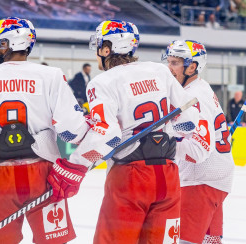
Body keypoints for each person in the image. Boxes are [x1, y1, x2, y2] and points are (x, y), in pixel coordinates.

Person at [55, 20, 207, 243]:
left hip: (130, 177)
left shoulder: (102, 81)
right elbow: (190, 119)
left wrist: (75, 166)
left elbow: (107, 134)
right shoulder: (159, 71)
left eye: (99, 47)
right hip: (168, 176)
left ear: (107, 49)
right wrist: (161, 134)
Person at [0, 17, 93, 244]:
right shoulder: (52, 75)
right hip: (44, 175)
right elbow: (72, 132)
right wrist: (91, 127)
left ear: (5, 44)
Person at [162, 40, 235, 244]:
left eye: (175, 62)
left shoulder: (193, 95)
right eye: (168, 61)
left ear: (192, 67)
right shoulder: (200, 88)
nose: (169, 68)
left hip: (200, 182)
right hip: (215, 179)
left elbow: (198, 150)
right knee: (208, 241)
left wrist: (165, 139)